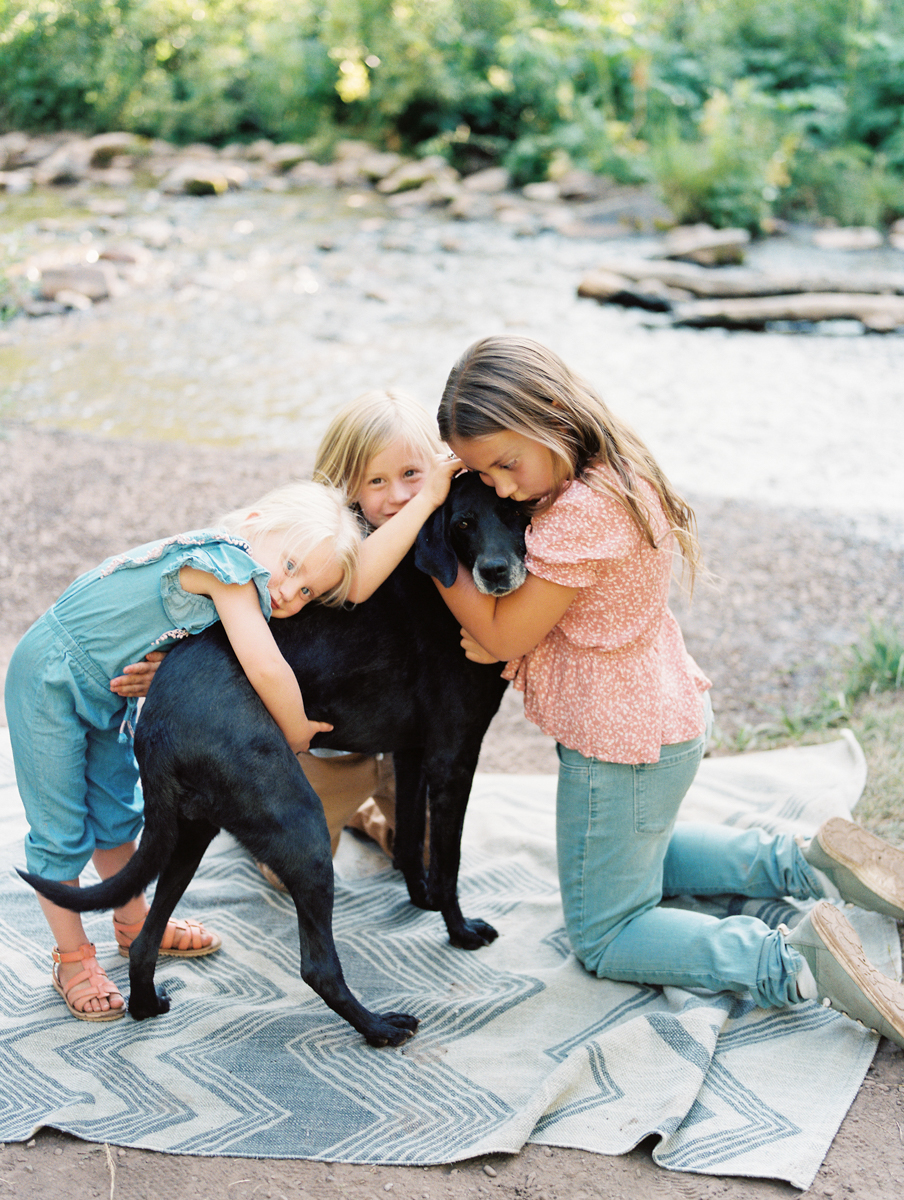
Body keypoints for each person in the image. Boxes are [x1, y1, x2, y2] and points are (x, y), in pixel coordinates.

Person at [428, 333, 904, 1047]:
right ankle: (807, 862)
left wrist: (436, 558)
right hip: (664, 712)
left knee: (605, 930)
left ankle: (788, 960)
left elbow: (500, 637)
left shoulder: (580, 517)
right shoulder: (615, 470)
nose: (496, 486)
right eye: (479, 473)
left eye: (503, 463)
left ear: (552, 413)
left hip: (616, 741)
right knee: (630, 847)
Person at [7, 480, 370, 1022]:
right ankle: (72, 958)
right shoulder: (227, 567)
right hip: (49, 682)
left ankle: (132, 924)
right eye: (291, 566)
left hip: (105, 693)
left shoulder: (231, 568)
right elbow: (265, 665)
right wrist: (296, 730)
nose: (289, 593)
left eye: (309, 593)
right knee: (61, 826)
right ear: (254, 523)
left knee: (115, 810)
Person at [111, 390, 458, 866]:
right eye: (376, 480)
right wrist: (179, 668)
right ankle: (282, 819)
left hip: (400, 739)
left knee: (422, 854)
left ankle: (374, 815)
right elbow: (351, 584)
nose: (398, 496)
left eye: (412, 475)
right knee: (295, 864)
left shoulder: (441, 531)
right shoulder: (321, 546)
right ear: (344, 483)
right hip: (323, 748)